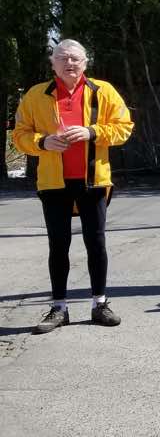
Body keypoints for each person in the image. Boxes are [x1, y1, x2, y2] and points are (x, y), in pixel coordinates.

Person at [12, 39, 134, 334]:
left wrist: (92, 131)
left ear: (85, 63)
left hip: (93, 181)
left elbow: (124, 127)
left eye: (75, 59)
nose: (70, 63)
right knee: (58, 245)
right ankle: (59, 308)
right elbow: (19, 134)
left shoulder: (103, 91)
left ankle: (100, 303)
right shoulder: (35, 95)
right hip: (54, 183)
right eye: (63, 58)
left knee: (97, 243)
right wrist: (43, 141)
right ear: (52, 63)